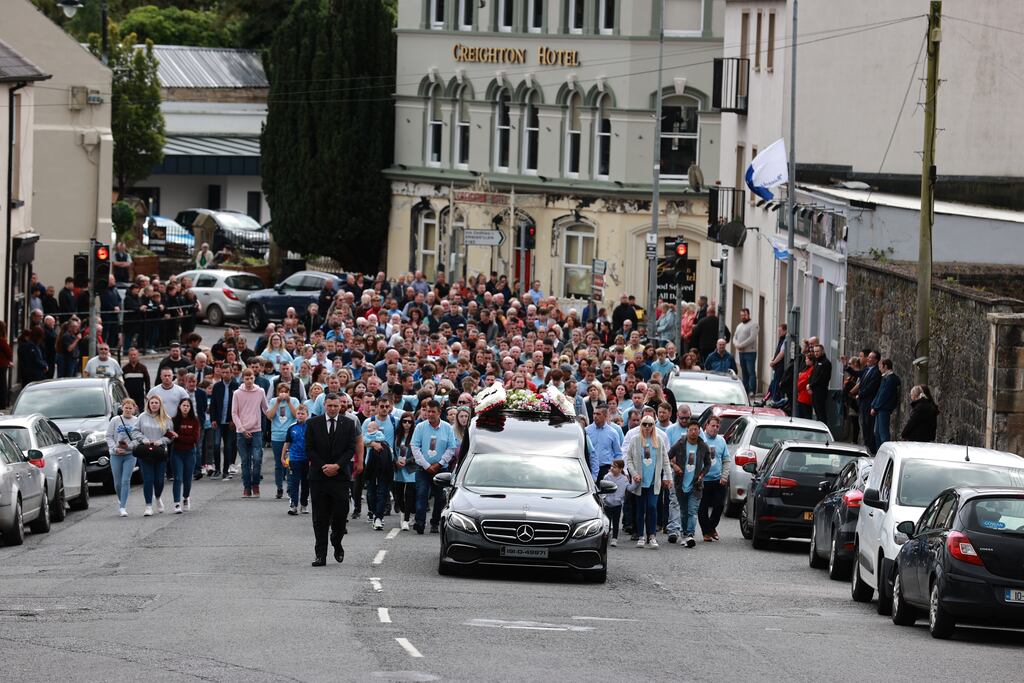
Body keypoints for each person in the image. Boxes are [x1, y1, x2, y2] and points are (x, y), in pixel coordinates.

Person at [305, 392, 362, 566]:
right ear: (324, 405)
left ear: (341, 406)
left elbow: (351, 448)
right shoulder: (313, 423)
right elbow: (309, 448)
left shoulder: (348, 424)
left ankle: (336, 542)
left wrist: (337, 466)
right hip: (319, 476)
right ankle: (320, 554)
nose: (332, 408)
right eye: (329, 405)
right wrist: (324, 466)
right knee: (320, 518)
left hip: (340, 476)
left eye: (336, 406)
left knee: (340, 514)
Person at [410, 398, 457, 534]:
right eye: (427, 411)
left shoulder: (447, 428)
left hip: (441, 469)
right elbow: (415, 446)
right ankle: (420, 522)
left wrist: (440, 463)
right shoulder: (420, 427)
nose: (430, 414)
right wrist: (426, 465)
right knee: (421, 494)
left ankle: (435, 522)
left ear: (439, 412)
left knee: (440, 498)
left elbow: (451, 448)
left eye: (433, 412)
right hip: (423, 469)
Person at [625, 416, 672, 548]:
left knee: (652, 507)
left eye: (650, 424)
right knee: (640, 509)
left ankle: (652, 536)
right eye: (644, 424)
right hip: (640, 482)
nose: (647, 427)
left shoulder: (659, 441)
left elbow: (665, 460)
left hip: (653, 481)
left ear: (653, 426)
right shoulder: (635, 440)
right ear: (641, 425)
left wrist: (668, 477)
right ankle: (641, 535)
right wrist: (634, 474)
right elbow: (628, 459)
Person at [668, 419, 712, 548]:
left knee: (692, 511)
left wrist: (702, 474)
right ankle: (683, 534)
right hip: (680, 484)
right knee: (683, 511)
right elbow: (667, 457)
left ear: (699, 432)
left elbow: (708, 463)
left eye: (696, 430)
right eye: (691, 430)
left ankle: (690, 535)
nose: (693, 432)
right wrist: (674, 466)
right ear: (687, 431)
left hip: (696, 485)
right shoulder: (680, 444)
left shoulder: (703, 446)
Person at [133, 395, 174, 517]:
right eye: (152, 402)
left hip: (159, 451)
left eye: (156, 402)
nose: (154, 404)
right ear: (148, 404)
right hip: (145, 451)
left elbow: (170, 435)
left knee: (159, 480)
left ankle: (158, 497)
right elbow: (135, 431)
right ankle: (148, 506)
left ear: (160, 404)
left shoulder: (166, 418)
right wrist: (143, 439)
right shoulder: (142, 417)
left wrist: (161, 441)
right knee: (148, 479)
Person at [232, 368, 269, 498]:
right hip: (241, 431)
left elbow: (266, 409)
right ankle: (247, 487)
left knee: (257, 459)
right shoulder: (237, 393)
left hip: (257, 430)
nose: (249, 381)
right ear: (243, 379)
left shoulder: (260, 391)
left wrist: (277, 416)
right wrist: (242, 429)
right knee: (245, 461)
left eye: (251, 378)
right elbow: (234, 413)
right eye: (246, 378)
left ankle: (255, 485)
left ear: (254, 378)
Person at [698, 415, 730, 542]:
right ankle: (706, 532)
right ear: (706, 426)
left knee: (719, 506)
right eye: (713, 426)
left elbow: (726, 460)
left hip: (717, 479)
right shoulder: (700, 439)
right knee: (703, 507)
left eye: (717, 426)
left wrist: (724, 475)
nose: (715, 429)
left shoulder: (721, 440)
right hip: (703, 479)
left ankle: (711, 527)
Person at [105, 398, 140, 516]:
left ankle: (123, 507)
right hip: (115, 455)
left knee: (126, 480)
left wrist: (129, 447)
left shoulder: (137, 421)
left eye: (131, 408)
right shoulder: (115, 420)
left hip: (130, 455)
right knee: (117, 482)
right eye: (126, 408)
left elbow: (138, 438)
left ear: (134, 409)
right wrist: (115, 448)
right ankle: (121, 499)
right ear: (122, 408)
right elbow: (108, 436)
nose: (128, 410)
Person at [266, 383, 300, 499]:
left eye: (285, 391)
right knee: (278, 463)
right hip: (276, 436)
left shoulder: (294, 400)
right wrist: (277, 402)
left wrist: (289, 402)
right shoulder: (273, 401)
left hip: (290, 435)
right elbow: (270, 415)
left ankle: (290, 487)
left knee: (289, 463)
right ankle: (279, 487)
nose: (283, 393)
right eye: (281, 391)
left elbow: (297, 415)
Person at [170, 397, 201, 513]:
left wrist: (178, 437)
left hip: (190, 453)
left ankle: (186, 498)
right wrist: (175, 437)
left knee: (187, 479)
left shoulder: (195, 420)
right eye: (184, 405)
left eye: (188, 406)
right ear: (179, 407)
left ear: (190, 408)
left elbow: (194, 439)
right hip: (177, 452)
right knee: (178, 478)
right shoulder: (174, 420)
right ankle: (176, 503)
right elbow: (170, 435)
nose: (186, 407)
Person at [363, 421, 394, 530]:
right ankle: (374, 512)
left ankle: (378, 517)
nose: (369, 429)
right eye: (368, 427)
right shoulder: (366, 436)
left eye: (371, 427)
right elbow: (362, 441)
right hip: (370, 467)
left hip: (383, 467)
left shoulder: (381, 436)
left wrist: (376, 442)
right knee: (371, 493)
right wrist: (373, 443)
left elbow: (382, 440)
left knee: (382, 492)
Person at [210, 363, 239, 479]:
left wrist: (234, 420)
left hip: (230, 422)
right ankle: (217, 469)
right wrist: (213, 419)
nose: (225, 375)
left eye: (227, 372)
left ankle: (226, 470)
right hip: (218, 421)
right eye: (223, 372)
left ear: (231, 373)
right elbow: (213, 404)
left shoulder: (236, 386)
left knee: (228, 447)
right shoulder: (217, 386)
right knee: (216, 445)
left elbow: (238, 405)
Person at [392, 411, 418, 531]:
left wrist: (406, 461)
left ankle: (406, 519)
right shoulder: (397, 435)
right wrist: (396, 461)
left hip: (410, 468)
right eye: (404, 421)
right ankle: (403, 513)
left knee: (409, 494)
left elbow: (418, 452)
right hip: (398, 468)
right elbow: (392, 450)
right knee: (398, 494)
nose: (407, 424)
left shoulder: (415, 435)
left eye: (409, 422)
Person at [283, 404, 311, 515]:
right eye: (298, 413)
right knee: (294, 482)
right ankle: (293, 504)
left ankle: (304, 504)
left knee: (306, 482)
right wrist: (283, 455)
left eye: (302, 414)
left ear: (307, 415)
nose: (300, 416)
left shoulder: (311, 427)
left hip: (307, 458)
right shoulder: (292, 427)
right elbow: (287, 442)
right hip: (294, 458)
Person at [585, 404, 622, 482]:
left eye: (598, 414)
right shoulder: (586, 431)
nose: (595, 416)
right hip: (588, 468)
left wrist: (615, 470)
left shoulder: (613, 432)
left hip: (605, 469)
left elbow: (618, 453)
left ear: (605, 416)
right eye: (594, 413)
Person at [871, 358, 901, 448]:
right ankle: (879, 451)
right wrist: (873, 405)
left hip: (884, 408)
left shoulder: (891, 379)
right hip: (880, 408)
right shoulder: (885, 378)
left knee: (883, 433)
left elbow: (884, 395)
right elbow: (879, 393)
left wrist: (875, 407)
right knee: (877, 432)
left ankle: (885, 451)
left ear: (886, 366)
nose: (879, 368)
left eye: (881, 366)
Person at [855, 351, 881, 453]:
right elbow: (858, 374)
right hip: (863, 403)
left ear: (876, 360)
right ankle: (867, 446)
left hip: (869, 403)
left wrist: (860, 394)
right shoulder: (866, 370)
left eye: (870, 358)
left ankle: (871, 448)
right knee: (865, 426)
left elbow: (871, 388)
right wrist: (847, 367)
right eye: (868, 357)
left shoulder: (876, 373)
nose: (868, 359)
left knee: (869, 426)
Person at [602, 459, 628, 547]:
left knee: (616, 522)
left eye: (615, 467)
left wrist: (636, 484)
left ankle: (614, 538)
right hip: (607, 504)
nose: (612, 468)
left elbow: (629, 488)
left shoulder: (624, 479)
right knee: (607, 522)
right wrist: (604, 498)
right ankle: (605, 538)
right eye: (611, 466)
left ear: (621, 469)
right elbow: (603, 488)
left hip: (617, 504)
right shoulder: (607, 477)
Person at [733, 308, 758, 396]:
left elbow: (752, 338)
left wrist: (741, 345)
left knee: (751, 371)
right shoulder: (739, 326)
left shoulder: (753, 325)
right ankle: (745, 389)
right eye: (741, 315)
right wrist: (736, 344)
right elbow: (734, 337)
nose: (743, 317)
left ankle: (751, 390)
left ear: (748, 314)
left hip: (750, 352)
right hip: (741, 352)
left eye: (744, 315)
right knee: (744, 372)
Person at [809, 344, 833, 424]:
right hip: (814, 391)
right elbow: (813, 375)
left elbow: (821, 378)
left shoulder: (826, 363)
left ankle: (823, 430)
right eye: (815, 351)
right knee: (817, 412)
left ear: (822, 351)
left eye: (818, 351)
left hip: (820, 391)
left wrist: (811, 385)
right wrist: (810, 385)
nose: (816, 353)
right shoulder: (817, 361)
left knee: (821, 413)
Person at [796, 354, 814, 419]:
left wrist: (798, 387)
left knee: (805, 414)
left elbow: (805, 381)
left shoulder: (811, 369)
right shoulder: (806, 368)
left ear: (811, 361)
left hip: (805, 396)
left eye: (807, 359)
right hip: (801, 395)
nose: (806, 360)